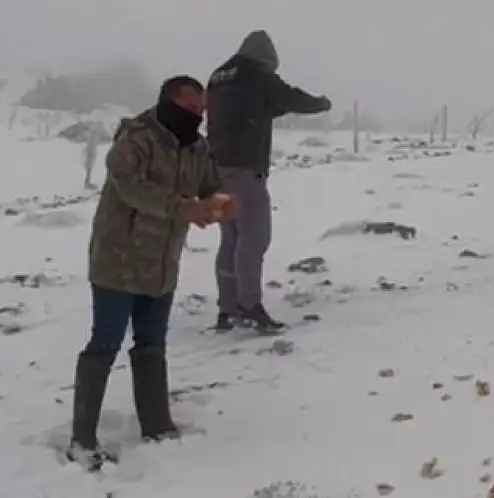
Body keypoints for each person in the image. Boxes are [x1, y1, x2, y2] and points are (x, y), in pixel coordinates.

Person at [67, 75, 234, 471]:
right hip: (119, 260)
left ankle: (157, 426)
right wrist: (183, 208)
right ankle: (82, 438)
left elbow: (209, 184)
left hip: (161, 263)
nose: (199, 117)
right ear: (169, 104)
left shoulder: (197, 146)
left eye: (203, 111)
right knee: (104, 344)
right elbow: (131, 187)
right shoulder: (135, 140)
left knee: (152, 344)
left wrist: (218, 203)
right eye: (192, 109)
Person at [206, 30, 332, 333]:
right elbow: (289, 97)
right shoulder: (256, 73)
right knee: (254, 236)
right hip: (245, 168)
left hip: (215, 168)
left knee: (231, 237)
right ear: (267, 58)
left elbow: (257, 108)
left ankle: (227, 307)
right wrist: (321, 104)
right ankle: (249, 305)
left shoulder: (219, 76)